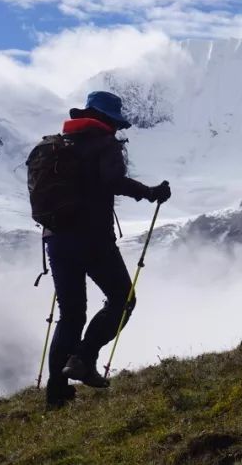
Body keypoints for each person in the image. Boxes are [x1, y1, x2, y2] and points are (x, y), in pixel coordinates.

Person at [44, 90, 171, 409]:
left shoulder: (61, 145)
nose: (116, 129)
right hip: (93, 239)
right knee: (122, 298)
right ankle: (85, 357)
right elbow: (114, 181)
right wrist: (150, 193)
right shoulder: (105, 144)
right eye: (115, 122)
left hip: (56, 240)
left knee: (70, 315)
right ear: (107, 120)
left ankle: (56, 394)